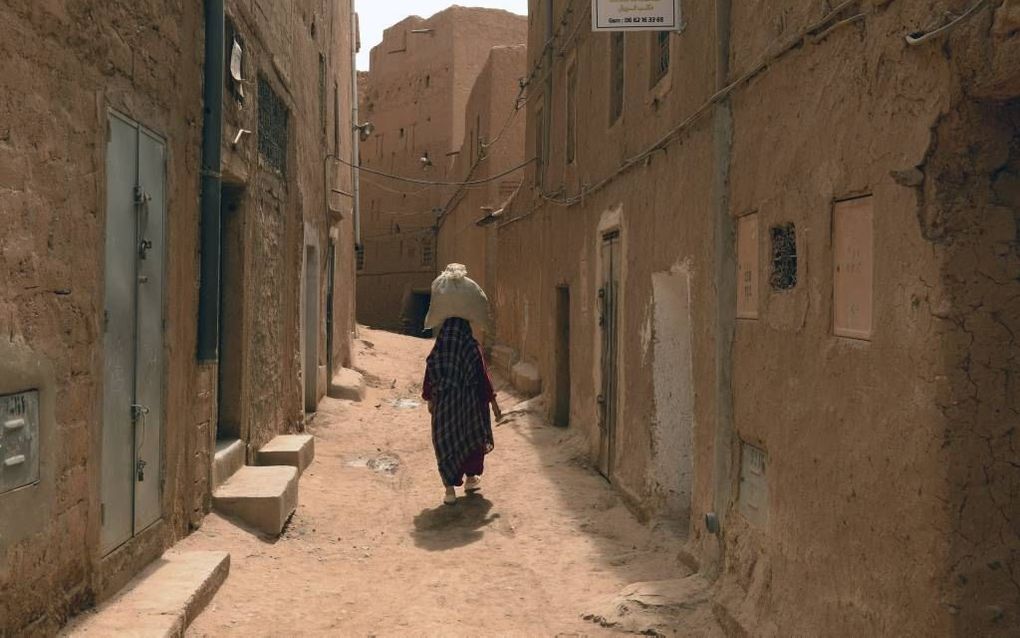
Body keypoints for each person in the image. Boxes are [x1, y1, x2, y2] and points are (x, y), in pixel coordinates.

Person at [422, 316, 502, 505]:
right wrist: (493, 403)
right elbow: (483, 377)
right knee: (471, 439)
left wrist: (429, 398)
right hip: (469, 406)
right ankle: (471, 478)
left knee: (446, 442)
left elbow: (430, 375)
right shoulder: (471, 347)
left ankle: (449, 490)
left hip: (444, 406)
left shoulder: (439, 349)